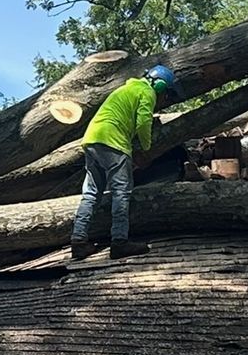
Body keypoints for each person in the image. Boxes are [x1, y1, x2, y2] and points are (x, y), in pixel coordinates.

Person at [70, 64, 180, 260]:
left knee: (91, 193)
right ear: (160, 86)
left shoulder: (127, 88)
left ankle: (78, 241)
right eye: (166, 93)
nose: (165, 98)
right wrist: (147, 148)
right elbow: (144, 122)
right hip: (113, 142)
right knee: (121, 192)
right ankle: (119, 242)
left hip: (92, 140)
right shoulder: (147, 92)